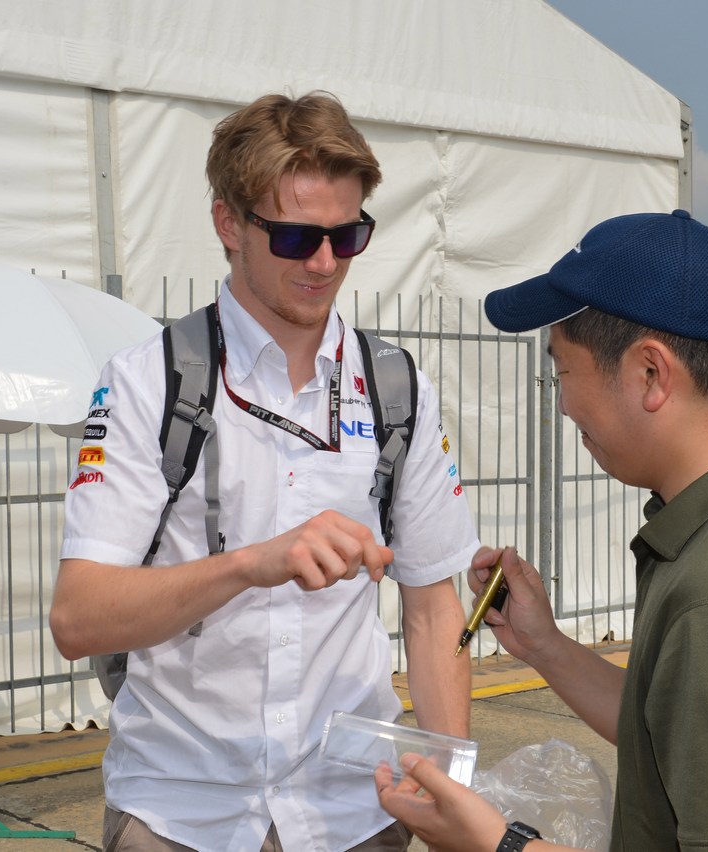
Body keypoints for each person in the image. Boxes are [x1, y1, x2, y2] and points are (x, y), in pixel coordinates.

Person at [376, 210, 708, 851]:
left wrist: (498, 845)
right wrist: (546, 646)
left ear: (650, 373)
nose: (561, 404)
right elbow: (682, 729)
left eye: (563, 373)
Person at [49, 91, 479, 852]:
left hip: (353, 811)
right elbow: (79, 620)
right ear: (229, 225)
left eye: (348, 236)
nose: (324, 263)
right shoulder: (148, 382)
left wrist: (453, 794)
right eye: (294, 237)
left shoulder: (396, 388)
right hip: (184, 811)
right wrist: (251, 565)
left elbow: (432, 607)